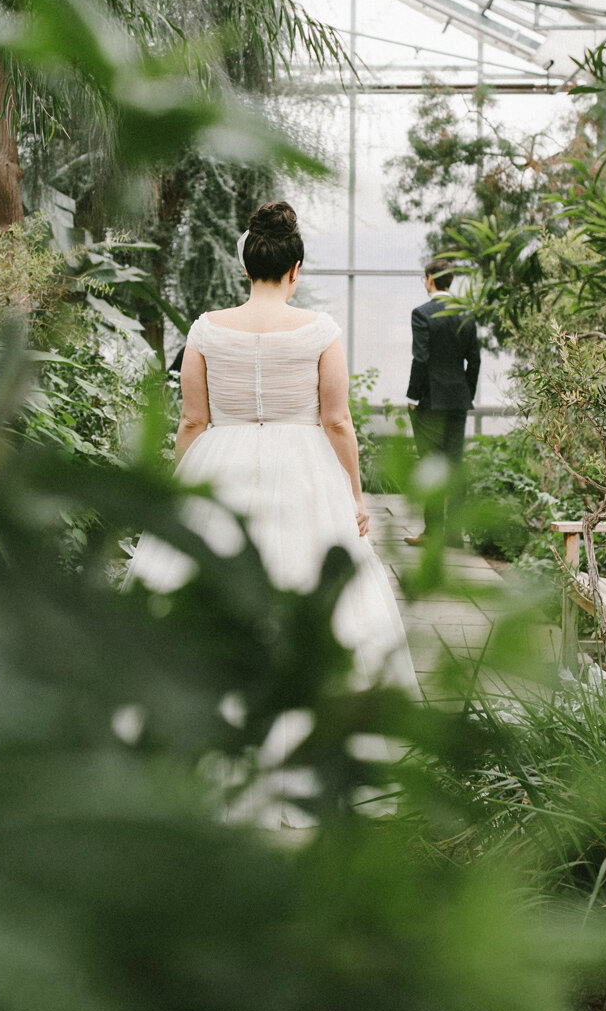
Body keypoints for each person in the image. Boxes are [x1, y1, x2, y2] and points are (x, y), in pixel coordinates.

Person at [127, 202, 418, 696]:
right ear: (295, 269)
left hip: (219, 466)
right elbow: (336, 420)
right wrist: (355, 495)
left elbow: (194, 420)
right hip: (307, 472)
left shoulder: (204, 330)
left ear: (246, 267)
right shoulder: (320, 332)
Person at [406, 264, 481, 466]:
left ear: (430, 278)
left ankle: (434, 500)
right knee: (454, 463)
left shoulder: (422, 314)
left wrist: (412, 396)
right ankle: (457, 499)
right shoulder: (466, 314)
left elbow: (421, 358)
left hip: (430, 399)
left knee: (431, 464)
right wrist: (467, 394)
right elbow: (474, 361)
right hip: (458, 400)